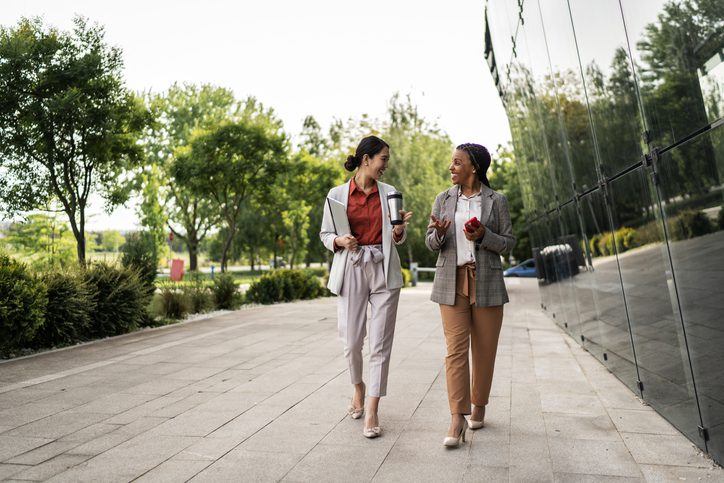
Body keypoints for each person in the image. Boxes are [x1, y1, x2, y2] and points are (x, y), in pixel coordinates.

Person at [320, 135, 413, 439]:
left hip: (384, 269)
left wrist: (399, 230)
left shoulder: (391, 194)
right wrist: (338, 241)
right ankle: (358, 387)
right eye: (383, 158)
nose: (386, 164)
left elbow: (397, 236)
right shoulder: (336, 195)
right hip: (352, 266)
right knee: (351, 341)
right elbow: (325, 233)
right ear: (366, 159)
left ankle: (372, 409)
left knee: (380, 344)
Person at [425, 143, 515, 448]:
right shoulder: (443, 199)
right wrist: (437, 233)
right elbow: (430, 242)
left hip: (487, 280)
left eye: (457, 162)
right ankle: (457, 417)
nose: (451, 167)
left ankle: (479, 406)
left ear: (473, 167)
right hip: (452, 281)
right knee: (455, 351)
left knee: (485, 351)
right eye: (452, 162)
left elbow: (509, 243)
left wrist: (484, 236)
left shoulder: (496, 200)